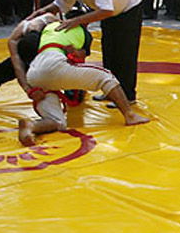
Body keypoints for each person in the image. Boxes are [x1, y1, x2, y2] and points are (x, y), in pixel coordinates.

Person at [18, 18, 149, 146]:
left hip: (34, 73)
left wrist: (29, 89)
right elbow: (79, 56)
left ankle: (31, 126)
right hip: (55, 64)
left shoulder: (47, 29)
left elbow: (21, 60)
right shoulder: (83, 32)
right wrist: (75, 52)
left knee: (57, 121)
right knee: (105, 77)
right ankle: (130, 115)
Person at [28, 0, 145, 103]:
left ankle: (127, 96)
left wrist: (76, 21)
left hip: (129, 4)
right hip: (110, 8)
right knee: (109, 49)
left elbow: (106, 11)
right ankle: (111, 90)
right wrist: (39, 13)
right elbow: (58, 6)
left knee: (125, 51)